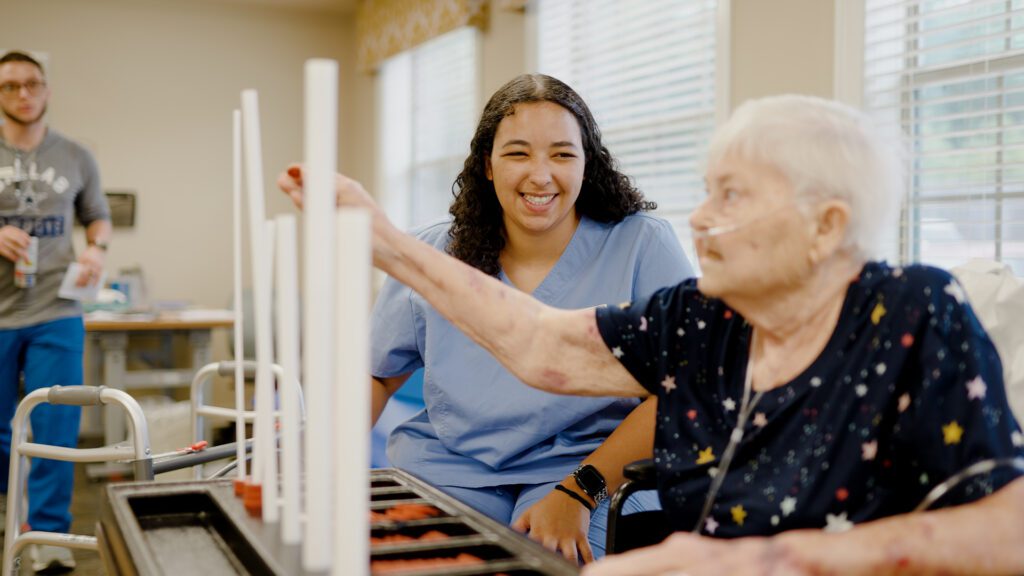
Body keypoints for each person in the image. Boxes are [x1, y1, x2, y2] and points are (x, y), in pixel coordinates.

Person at [280, 93, 1024, 575]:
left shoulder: (915, 312)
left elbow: (1008, 533)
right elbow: (541, 344)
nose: (698, 218)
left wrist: (770, 561)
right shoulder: (703, 318)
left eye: (730, 195)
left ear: (825, 225)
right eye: (705, 191)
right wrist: (385, 242)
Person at [289, 74, 692, 562]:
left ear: (588, 162)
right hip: (451, 466)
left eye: (563, 154)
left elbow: (682, 390)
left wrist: (579, 492)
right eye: (518, 153)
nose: (540, 176)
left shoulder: (641, 244)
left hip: (584, 468)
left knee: (550, 563)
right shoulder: (434, 251)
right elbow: (377, 373)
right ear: (487, 164)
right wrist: (316, 463)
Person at [0, 51, 111, 573]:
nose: (23, 94)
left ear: (46, 89)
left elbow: (98, 217)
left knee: (56, 425)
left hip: (57, 310)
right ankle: (14, 510)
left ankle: (49, 533)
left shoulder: (76, 155)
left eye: (32, 84)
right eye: (10, 86)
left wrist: (96, 250)